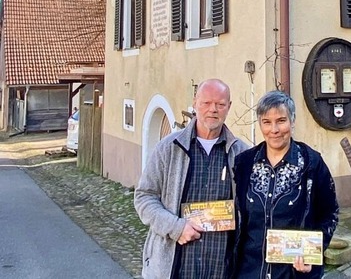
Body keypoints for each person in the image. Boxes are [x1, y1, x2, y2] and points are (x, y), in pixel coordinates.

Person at [134, 78, 249, 279]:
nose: (213, 109)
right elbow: (144, 197)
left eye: (220, 104)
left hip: (221, 268)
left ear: (228, 107)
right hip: (175, 265)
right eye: (206, 103)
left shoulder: (241, 154)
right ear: (195, 103)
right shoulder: (168, 149)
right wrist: (176, 228)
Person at [232, 90, 339, 279]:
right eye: (267, 122)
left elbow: (330, 213)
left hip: (292, 273)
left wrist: (313, 253)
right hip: (249, 271)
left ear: (292, 121)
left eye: (281, 120)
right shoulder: (244, 164)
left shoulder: (311, 164)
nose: (274, 129)